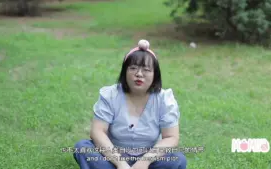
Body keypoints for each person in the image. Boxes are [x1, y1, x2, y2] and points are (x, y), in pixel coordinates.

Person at [73, 39, 187, 169]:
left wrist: (144, 162)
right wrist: (121, 164)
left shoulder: (164, 99)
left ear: (155, 75)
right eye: (133, 68)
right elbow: (97, 131)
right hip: (112, 157)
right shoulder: (110, 95)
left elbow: (171, 137)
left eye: (146, 69)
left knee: (177, 160)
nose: (139, 74)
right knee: (83, 148)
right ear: (124, 72)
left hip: (149, 159)